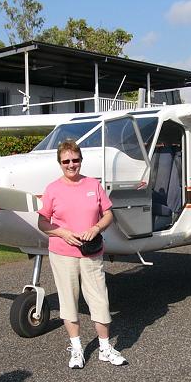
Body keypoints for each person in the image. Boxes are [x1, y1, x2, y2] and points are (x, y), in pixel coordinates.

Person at [37, 139, 127, 369]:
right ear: (60, 163)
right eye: (66, 161)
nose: (71, 164)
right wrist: (63, 234)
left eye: (75, 160)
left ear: (81, 161)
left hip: (91, 252)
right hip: (63, 253)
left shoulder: (93, 185)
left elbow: (108, 214)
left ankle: (105, 349)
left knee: (100, 300)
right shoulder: (52, 189)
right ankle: (77, 349)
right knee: (68, 301)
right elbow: (42, 222)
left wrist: (96, 228)